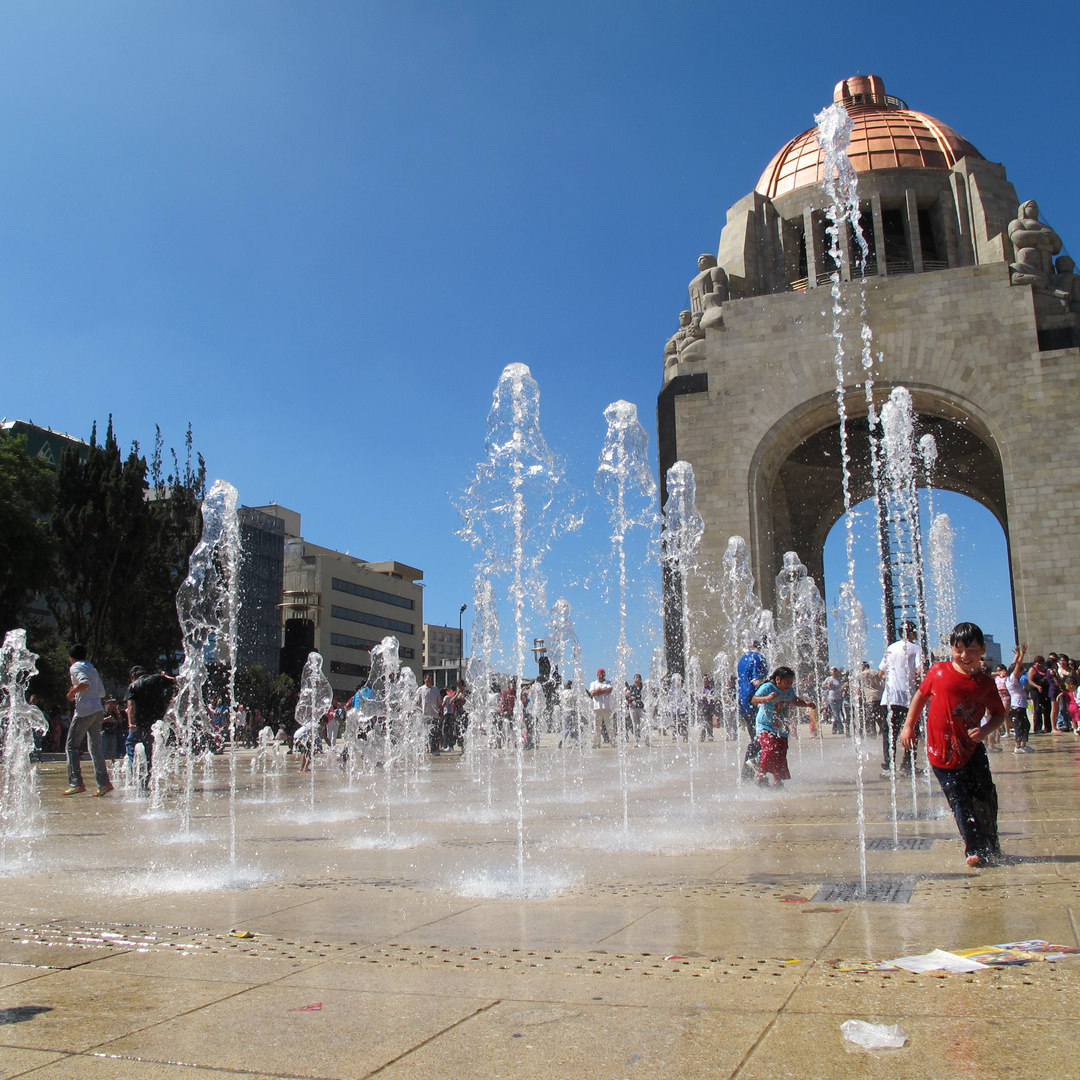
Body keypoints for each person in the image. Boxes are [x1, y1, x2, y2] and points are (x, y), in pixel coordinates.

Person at [901, 622, 1006, 867]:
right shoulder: (938, 672)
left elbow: (999, 714)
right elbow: (920, 696)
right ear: (951, 649)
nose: (964, 656)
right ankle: (975, 848)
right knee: (959, 798)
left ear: (982, 649)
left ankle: (991, 842)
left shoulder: (986, 684)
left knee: (983, 795)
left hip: (972, 749)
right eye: (958, 650)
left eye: (970, 650)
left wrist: (986, 730)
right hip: (941, 751)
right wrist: (909, 725)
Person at [750, 666, 814, 788]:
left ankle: (777, 780)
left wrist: (806, 704)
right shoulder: (767, 687)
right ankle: (760, 775)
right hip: (765, 725)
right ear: (778, 679)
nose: (789, 685)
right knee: (770, 748)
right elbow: (754, 699)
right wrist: (767, 698)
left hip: (781, 727)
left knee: (781, 753)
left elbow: (794, 700)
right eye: (786, 682)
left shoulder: (789, 691)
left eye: (790, 682)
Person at [64, 643, 112, 796]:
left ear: (71, 658)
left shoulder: (75, 667)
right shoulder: (91, 667)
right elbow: (102, 693)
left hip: (84, 712)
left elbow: (85, 683)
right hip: (98, 710)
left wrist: (72, 693)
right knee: (95, 748)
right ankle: (104, 783)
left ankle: (76, 783)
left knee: (71, 747)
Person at [878, 622, 923, 777]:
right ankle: (908, 765)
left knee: (889, 733)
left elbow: (880, 673)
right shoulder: (916, 649)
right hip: (908, 698)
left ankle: (888, 767)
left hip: (888, 698)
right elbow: (919, 672)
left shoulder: (890, 648)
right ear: (911, 633)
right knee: (912, 731)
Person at [125, 666, 176, 784]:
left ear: (133, 676)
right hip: (155, 724)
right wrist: (164, 675)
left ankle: (135, 774)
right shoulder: (157, 679)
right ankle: (146, 779)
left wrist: (131, 723)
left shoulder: (133, 686)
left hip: (139, 723)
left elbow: (131, 705)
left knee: (131, 745)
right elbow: (174, 681)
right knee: (149, 751)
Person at [737, 642, 767, 776]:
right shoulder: (759, 658)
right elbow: (756, 681)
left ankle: (750, 773)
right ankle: (748, 772)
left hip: (743, 700)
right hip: (754, 700)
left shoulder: (742, 659)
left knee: (757, 737)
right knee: (761, 738)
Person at [415, 673, 443, 755]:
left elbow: (439, 702)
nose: (430, 680)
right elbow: (416, 702)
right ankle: (422, 749)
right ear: (424, 679)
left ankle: (434, 749)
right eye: (428, 678)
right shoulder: (421, 689)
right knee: (423, 733)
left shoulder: (435, 689)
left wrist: (440, 712)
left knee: (433, 733)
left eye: (431, 678)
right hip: (424, 715)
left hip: (434, 715)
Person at [588, 669, 612, 748]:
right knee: (596, 727)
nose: (600, 676)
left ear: (604, 675)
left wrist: (598, 691)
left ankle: (613, 742)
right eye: (599, 674)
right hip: (597, 708)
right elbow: (592, 693)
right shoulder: (593, 683)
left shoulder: (608, 682)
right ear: (597, 675)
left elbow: (609, 690)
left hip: (606, 707)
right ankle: (596, 743)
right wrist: (602, 691)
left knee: (609, 726)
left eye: (602, 674)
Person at [1027, 656, 1051, 734]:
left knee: (1047, 708)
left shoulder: (1044, 669)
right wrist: (1037, 686)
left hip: (1045, 690)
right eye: (1038, 663)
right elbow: (1030, 681)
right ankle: (1037, 727)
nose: (1039, 664)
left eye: (1041, 662)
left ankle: (1048, 727)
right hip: (1036, 691)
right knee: (1038, 708)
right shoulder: (1032, 669)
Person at [821, 667, 847, 735]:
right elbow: (822, 687)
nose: (834, 672)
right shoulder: (829, 679)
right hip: (831, 698)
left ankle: (834, 729)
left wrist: (843, 688)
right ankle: (841, 728)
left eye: (835, 671)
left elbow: (842, 688)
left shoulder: (840, 679)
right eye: (833, 671)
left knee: (837, 714)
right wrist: (828, 685)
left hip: (839, 698)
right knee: (835, 713)